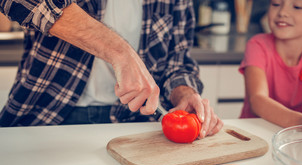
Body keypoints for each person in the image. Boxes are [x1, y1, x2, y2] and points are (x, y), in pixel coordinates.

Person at [0, 0, 223, 139]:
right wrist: (121, 52)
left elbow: (178, 61)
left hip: (134, 124)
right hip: (49, 116)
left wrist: (184, 93)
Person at [239, 0, 302, 128]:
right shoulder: (257, 45)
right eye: (276, 4)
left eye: (297, 7)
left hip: (296, 136)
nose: (282, 12)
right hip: (254, 131)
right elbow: (257, 99)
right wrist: (301, 121)